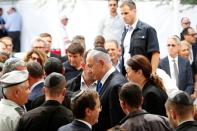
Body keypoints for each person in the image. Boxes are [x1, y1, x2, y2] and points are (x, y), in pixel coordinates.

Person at [86, 49, 127, 131]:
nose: (88, 71)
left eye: (90, 66)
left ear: (101, 63)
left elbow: (117, 125)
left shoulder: (116, 86)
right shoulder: (101, 81)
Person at [119, 1, 160, 75]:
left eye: (126, 13)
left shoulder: (148, 29)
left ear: (134, 11)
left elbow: (155, 53)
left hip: (142, 75)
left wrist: (153, 74)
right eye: (121, 14)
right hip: (127, 75)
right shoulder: (124, 32)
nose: (123, 16)